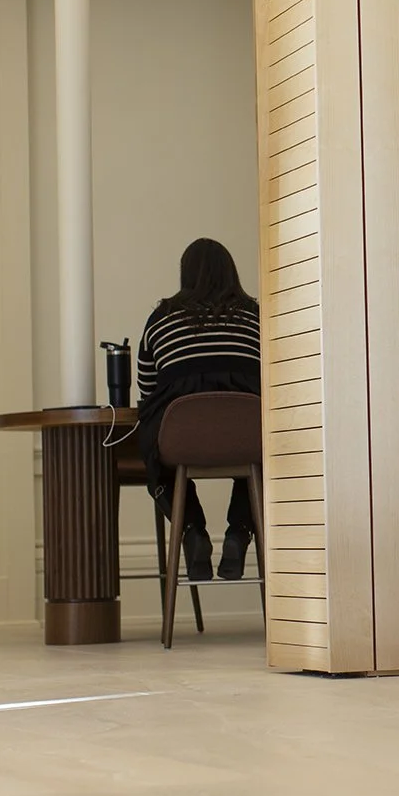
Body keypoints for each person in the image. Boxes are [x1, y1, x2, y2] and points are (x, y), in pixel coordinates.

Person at [134, 238, 262, 582]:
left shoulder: (160, 320)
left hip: (180, 440)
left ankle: (192, 532)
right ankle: (240, 533)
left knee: (154, 452)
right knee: (267, 458)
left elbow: (147, 394)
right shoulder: (257, 318)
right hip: (247, 437)